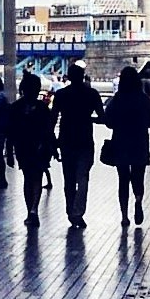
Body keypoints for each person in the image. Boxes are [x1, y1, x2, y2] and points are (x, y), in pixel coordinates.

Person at [53, 60, 103, 228]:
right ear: (83, 77)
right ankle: (78, 211)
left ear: (68, 77)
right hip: (85, 139)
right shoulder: (92, 94)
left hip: (66, 139)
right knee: (83, 178)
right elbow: (102, 117)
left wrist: (52, 143)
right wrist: (90, 119)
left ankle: (70, 211)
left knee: (68, 179)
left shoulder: (60, 95)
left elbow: (53, 119)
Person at [105, 60, 150, 228]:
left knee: (123, 179)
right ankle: (138, 200)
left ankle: (124, 216)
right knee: (138, 177)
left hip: (121, 142)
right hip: (140, 142)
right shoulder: (143, 99)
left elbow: (108, 121)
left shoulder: (117, 99)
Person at [10, 71, 57, 228]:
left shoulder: (16, 107)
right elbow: (49, 130)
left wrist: (9, 151)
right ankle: (34, 210)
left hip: (23, 147)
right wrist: (53, 147)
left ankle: (30, 210)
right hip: (41, 147)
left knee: (27, 178)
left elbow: (10, 131)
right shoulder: (43, 108)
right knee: (37, 177)